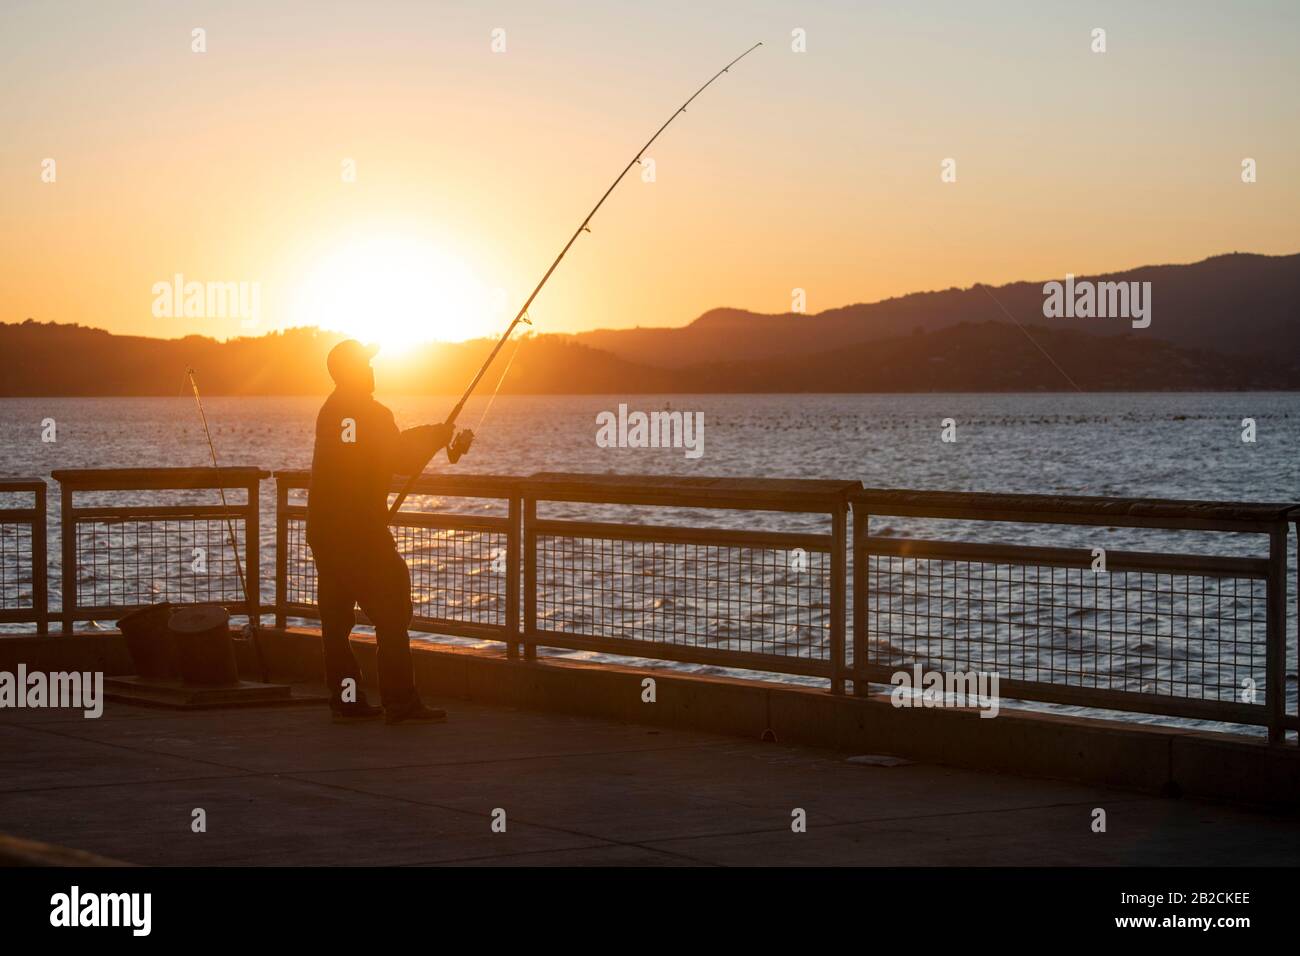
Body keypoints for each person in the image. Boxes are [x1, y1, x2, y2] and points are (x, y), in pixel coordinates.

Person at [306, 339, 456, 724]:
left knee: (336, 622)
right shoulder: (368, 412)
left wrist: (432, 436)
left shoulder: (332, 410)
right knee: (392, 611)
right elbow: (399, 456)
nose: (373, 369)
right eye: (366, 364)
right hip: (358, 531)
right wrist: (436, 436)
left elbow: (380, 453)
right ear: (352, 370)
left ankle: (347, 700)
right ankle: (400, 702)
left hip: (325, 529)